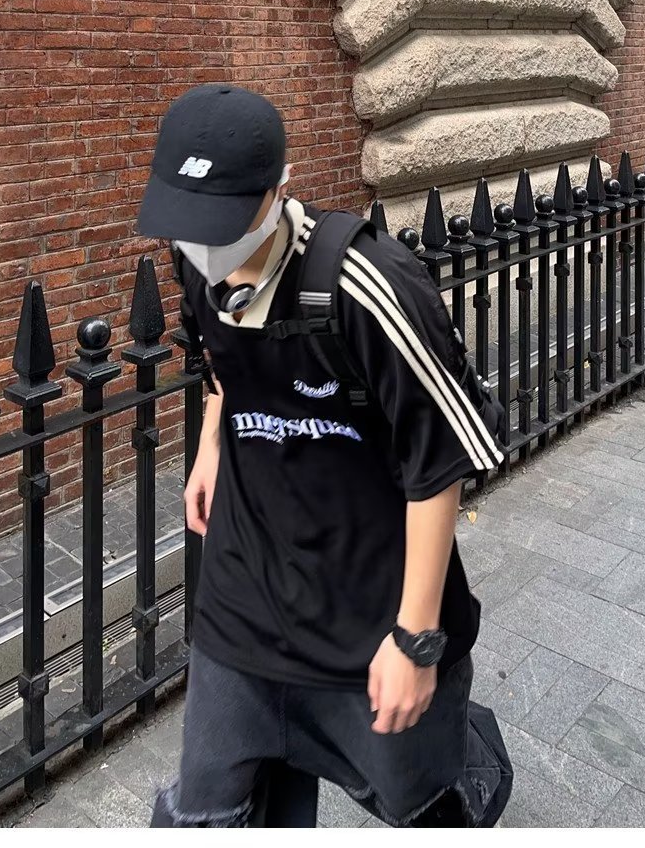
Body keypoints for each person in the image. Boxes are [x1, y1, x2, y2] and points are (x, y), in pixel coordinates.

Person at [136, 83, 513, 828]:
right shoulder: (195, 268)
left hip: (367, 604)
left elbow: (438, 461)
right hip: (244, 594)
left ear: (278, 191)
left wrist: (416, 639)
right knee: (208, 810)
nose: (203, 246)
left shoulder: (364, 285)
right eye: (187, 221)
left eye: (220, 221)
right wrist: (212, 443)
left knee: (420, 801)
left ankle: (464, 756)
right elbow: (218, 362)